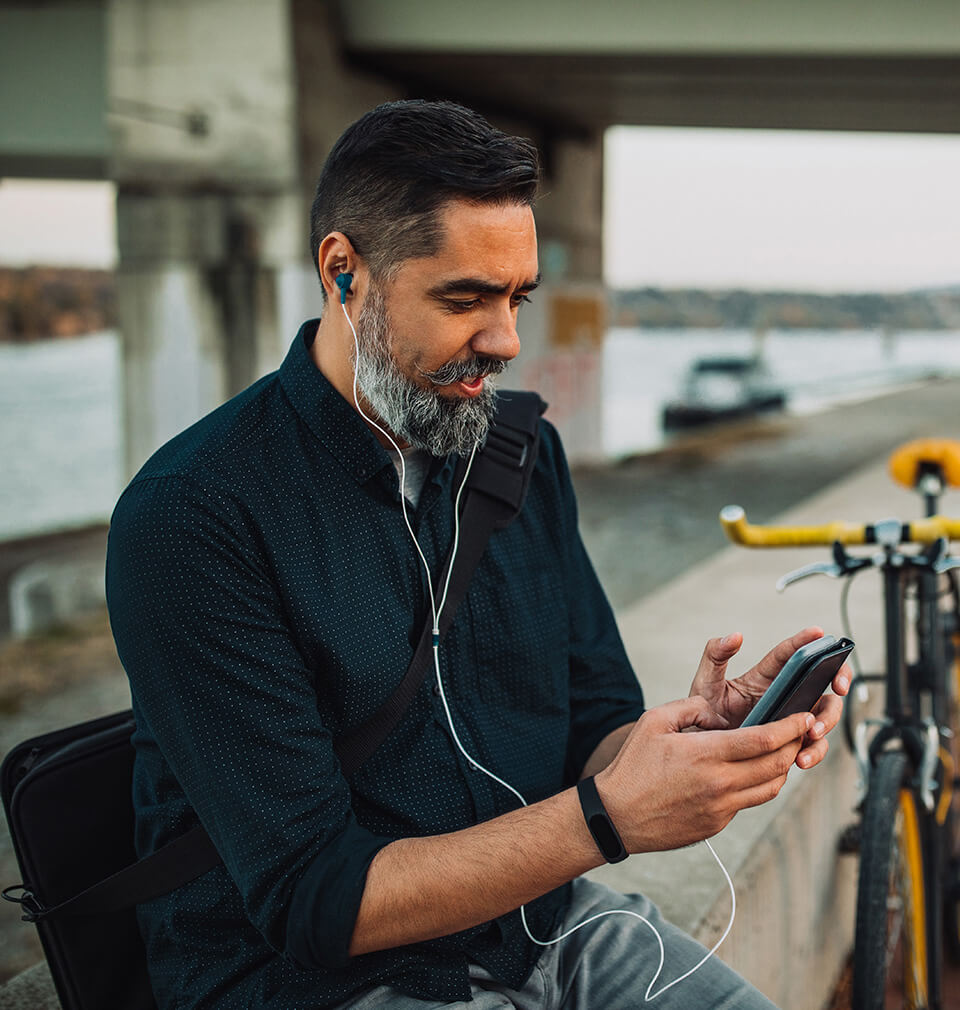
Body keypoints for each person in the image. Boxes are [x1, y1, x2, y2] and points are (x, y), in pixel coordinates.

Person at [106, 100, 848, 1010]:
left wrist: (694, 746)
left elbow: (596, 733)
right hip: (315, 986)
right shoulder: (197, 515)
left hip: (542, 927)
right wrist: (607, 820)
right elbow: (315, 898)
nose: (504, 340)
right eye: (463, 298)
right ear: (344, 274)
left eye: (516, 297)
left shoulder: (520, 458)